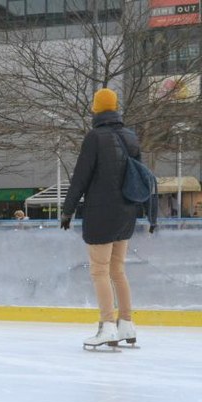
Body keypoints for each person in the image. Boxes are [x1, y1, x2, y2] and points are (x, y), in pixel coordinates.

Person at [61, 88, 157, 350]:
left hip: (101, 214)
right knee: (118, 271)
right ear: (115, 108)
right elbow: (142, 177)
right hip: (126, 213)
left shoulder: (95, 137)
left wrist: (68, 210)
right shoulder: (130, 136)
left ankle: (108, 326)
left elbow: (81, 176)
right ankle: (127, 323)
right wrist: (149, 213)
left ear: (95, 108)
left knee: (100, 271)